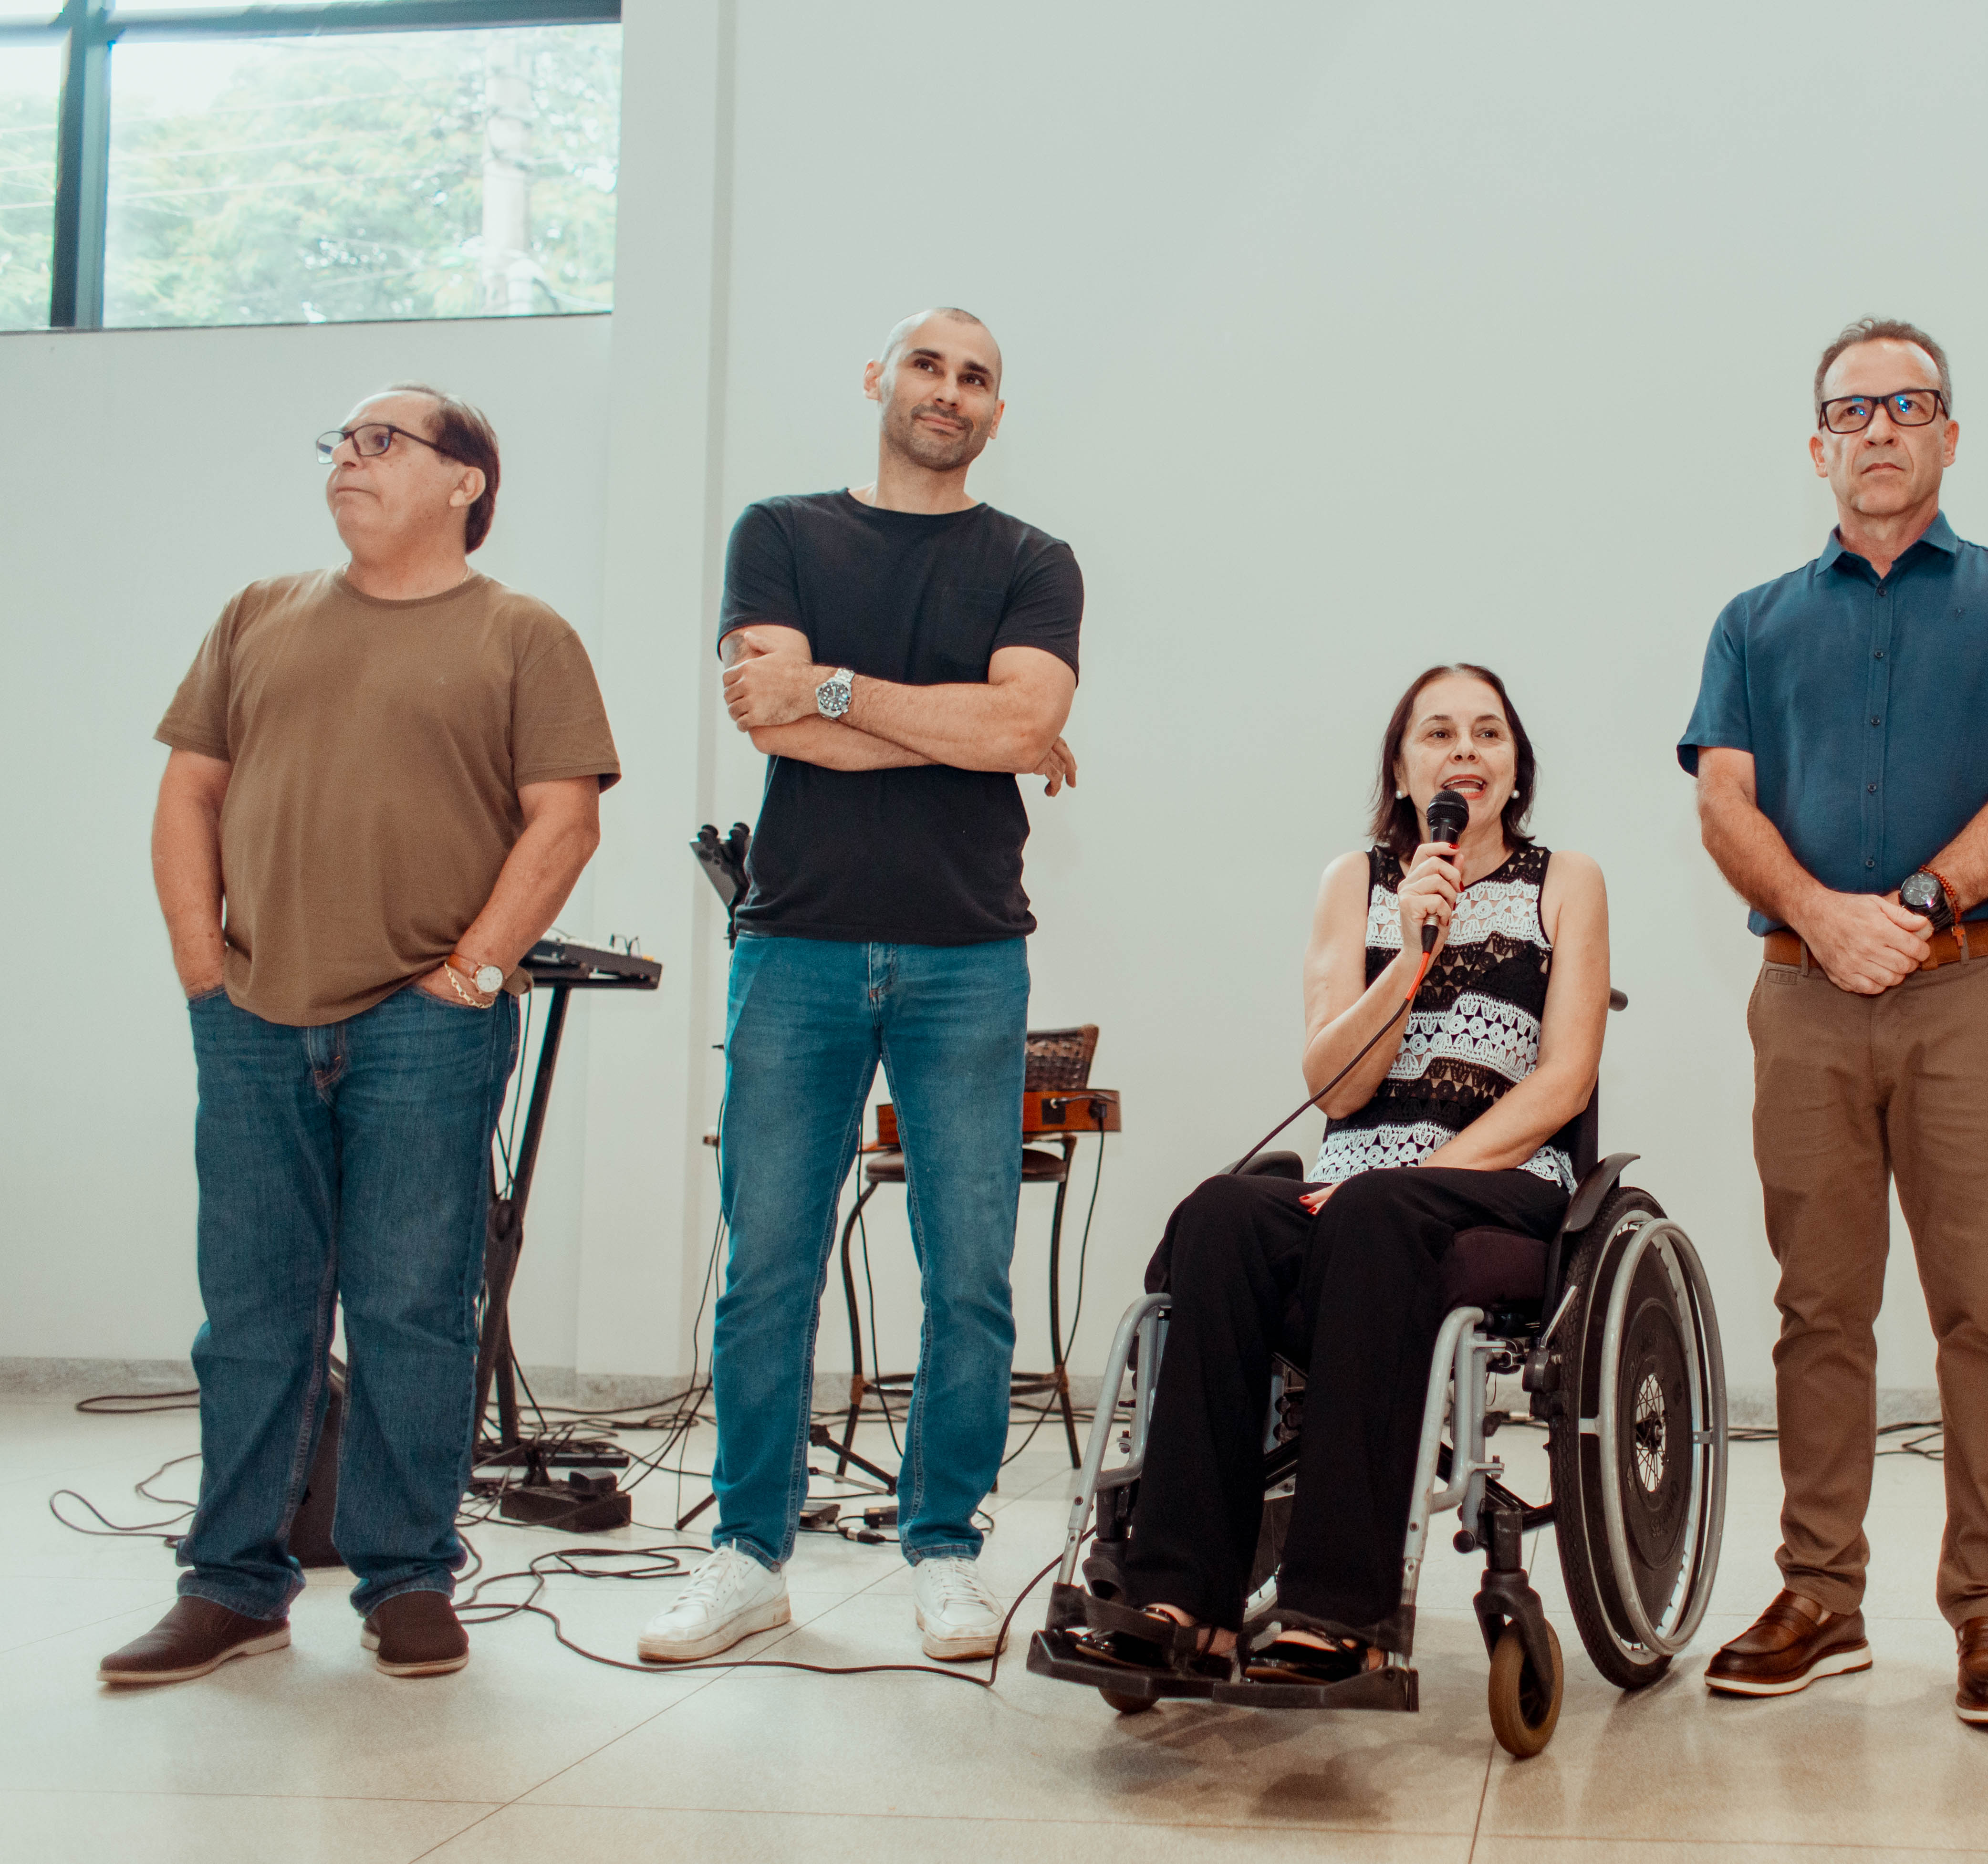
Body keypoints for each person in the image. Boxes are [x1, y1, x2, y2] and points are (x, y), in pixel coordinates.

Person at [104, 386, 618, 1687]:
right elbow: (189, 792)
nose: (349, 456)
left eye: (383, 439)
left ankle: (406, 1579)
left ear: (465, 481)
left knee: (413, 1306)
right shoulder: (257, 614)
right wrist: (201, 966)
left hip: (424, 1027)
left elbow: (564, 819)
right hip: (253, 1015)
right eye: (339, 439)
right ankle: (230, 1582)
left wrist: (468, 977)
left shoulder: (525, 634)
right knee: (252, 1312)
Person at [1679, 318, 1988, 1720]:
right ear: (1816, 446)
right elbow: (1723, 803)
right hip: (1803, 997)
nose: (1878, 428)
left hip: (1972, 989)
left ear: (1948, 433)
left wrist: (1916, 904)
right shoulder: (1752, 622)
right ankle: (1820, 1594)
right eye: (1851, 410)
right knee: (1818, 1304)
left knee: (1983, 1303)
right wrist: (1821, 915)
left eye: (1907, 404)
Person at [639, 309, 1082, 1666]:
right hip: (797, 945)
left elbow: (1021, 722)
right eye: (928, 365)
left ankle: (945, 1552)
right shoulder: (779, 533)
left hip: (968, 953)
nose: (949, 390)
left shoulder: (1032, 560)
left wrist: (830, 690)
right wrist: (964, 728)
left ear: (996, 410)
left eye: (976, 376)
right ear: (878, 378)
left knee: (971, 1274)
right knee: (766, 1266)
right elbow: (766, 719)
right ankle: (747, 1554)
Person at [1059, 664, 1609, 1684]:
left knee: (1377, 1210)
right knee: (1220, 1213)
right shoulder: (1354, 883)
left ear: (1515, 766)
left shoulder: (1565, 880)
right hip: (1353, 1182)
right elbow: (1337, 1088)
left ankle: (1336, 1609)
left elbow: (1565, 1079)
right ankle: (1181, 1597)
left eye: (1487, 732)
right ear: (1401, 772)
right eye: (1437, 733)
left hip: (1497, 1178)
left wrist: (1420, 1174)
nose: (1464, 750)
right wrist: (1408, 957)